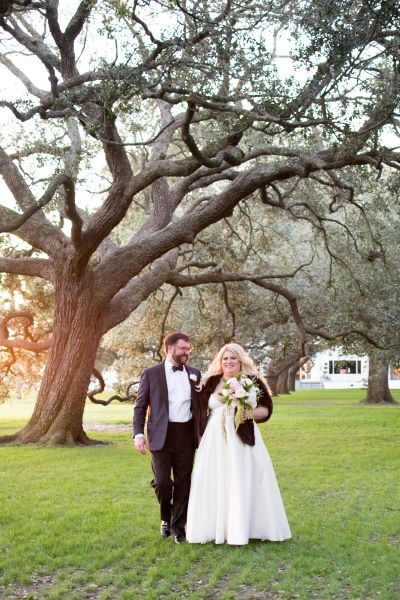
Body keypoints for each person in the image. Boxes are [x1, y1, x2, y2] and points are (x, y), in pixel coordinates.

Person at [186, 343, 292, 545]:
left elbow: (266, 411)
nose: (229, 362)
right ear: (220, 361)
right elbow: (199, 411)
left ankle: (247, 527)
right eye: (225, 358)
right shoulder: (210, 382)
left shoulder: (252, 381)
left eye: (233, 358)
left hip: (242, 437)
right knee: (215, 479)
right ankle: (216, 528)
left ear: (240, 360)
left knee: (244, 478)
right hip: (215, 439)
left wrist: (246, 412)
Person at [133, 332, 201, 544]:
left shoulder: (195, 373)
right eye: (183, 348)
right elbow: (140, 405)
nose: (187, 352)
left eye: (188, 349)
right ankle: (166, 517)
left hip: (186, 436)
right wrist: (138, 434)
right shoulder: (151, 373)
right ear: (170, 349)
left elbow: (202, 405)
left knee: (183, 482)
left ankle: (179, 528)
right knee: (163, 482)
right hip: (160, 436)